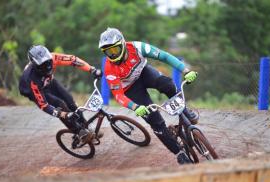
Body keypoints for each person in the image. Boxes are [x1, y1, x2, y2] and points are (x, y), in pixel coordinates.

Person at [98, 28, 199, 165]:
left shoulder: (137, 47)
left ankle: (184, 111)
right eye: (108, 52)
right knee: (154, 120)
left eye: (115, 49)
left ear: (123, 43)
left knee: (167, 84)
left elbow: (164, 56)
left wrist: (185, 70)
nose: (113, 54)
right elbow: (118, 95)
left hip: (144, 73)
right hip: (130, 89)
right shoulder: (109, 68)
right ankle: (179, 153)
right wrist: (134, 107)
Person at [19, 45, 102, 138]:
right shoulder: (31, 79)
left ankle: (86, 126)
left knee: (70, 100)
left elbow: (73, 60)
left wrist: (92, 69)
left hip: (49, 81)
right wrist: (64, 114)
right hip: (34, 90)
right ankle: (79, 132)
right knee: (60, 105)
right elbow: (44, 105)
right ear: (35, 65)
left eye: (49, 62)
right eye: (43, 65)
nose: (48, 66)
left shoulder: (53, 57)